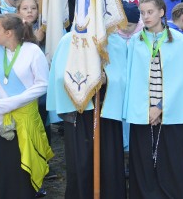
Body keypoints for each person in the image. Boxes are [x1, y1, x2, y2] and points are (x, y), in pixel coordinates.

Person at [123, 0, 183, 198]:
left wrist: (160, 106)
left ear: (161, 12)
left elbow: (181, 79)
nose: (146, 17)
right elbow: (133, 78)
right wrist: (147, 108)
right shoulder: (136, 42)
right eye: (143, 13)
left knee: (170, 163)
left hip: (171, 112)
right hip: (143, 112)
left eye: (150, 12)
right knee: (142, 164)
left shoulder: (179, 41)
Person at [47, 24, 128, 198]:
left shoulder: (115, 42)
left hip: (107, 111)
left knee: (109, 161)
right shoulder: (70, 40)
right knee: (81, 163)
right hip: (80, 110)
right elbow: (61, 76)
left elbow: (124, 76)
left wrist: (108, 79)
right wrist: (87, 79)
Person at [0, 14, 53, 198]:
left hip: (23, 123)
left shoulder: (33, 52)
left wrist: (10, 103)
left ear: (9, 33)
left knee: (20, 170)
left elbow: (42, 84)